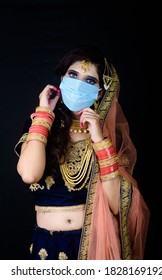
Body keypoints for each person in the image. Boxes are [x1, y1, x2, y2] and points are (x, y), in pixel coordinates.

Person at [14, 44, 150, 260]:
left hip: (92, 246)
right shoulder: (39, 123)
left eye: (89, 81)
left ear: (100, 91)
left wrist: (99, 140)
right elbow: (30, 174)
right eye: (73, 75)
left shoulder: (108, 134)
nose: (78, 85)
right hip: (45, 247)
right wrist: (44, 114)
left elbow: (117, 206)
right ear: (62, 79)